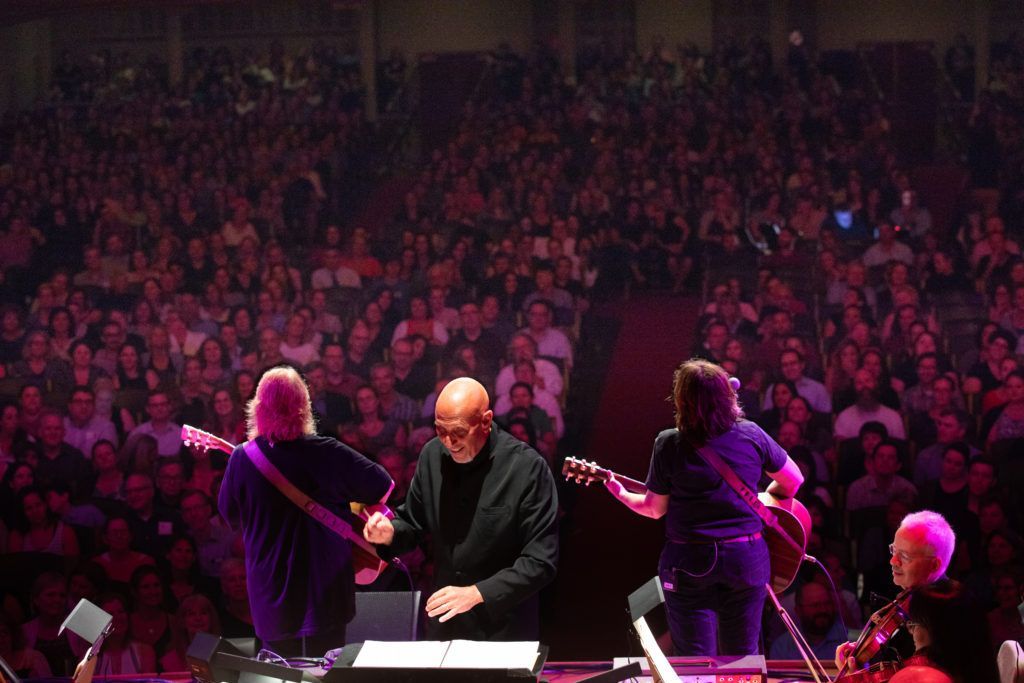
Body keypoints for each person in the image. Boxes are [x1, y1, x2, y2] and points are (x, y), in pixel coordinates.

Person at [603, 359, 803, 656]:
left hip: (690, 562)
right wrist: (764, 499)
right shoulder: (751, 434)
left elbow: (654, 509)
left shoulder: (669, 443)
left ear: (682, 400)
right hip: (745, 559)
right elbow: (794, 480)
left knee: (696, 665)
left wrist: (619, 493)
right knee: (742, 661)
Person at [363, 377, 559, 640]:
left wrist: (476, 593)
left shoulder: (527, 468)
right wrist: (389, 532)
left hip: (503, 630)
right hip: (446, 624)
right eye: (440, 430)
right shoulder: (432, 456)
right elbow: (412, 522)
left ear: (486, 421)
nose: (448, 441)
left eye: (458, 432)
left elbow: (540, 561)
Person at [219, 366, 392, 656]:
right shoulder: (327, 451)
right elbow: (383, 485)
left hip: (271, 595)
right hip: (327, 592)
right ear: (304, 406)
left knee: (277, 674)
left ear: (258, 409)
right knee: (326, 672)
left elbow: (230, 515)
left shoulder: (241, 458)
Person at [835, 510, 956, 669]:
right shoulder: (909, 600)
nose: (893, 561)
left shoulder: (943, 614)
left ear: (934, 565)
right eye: (893, 550)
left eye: (905, 556)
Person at [889, 579, 999, 683]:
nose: (911, 632)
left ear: (938, 631)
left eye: (914, 624)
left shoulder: (930, 678)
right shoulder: (977, 667)